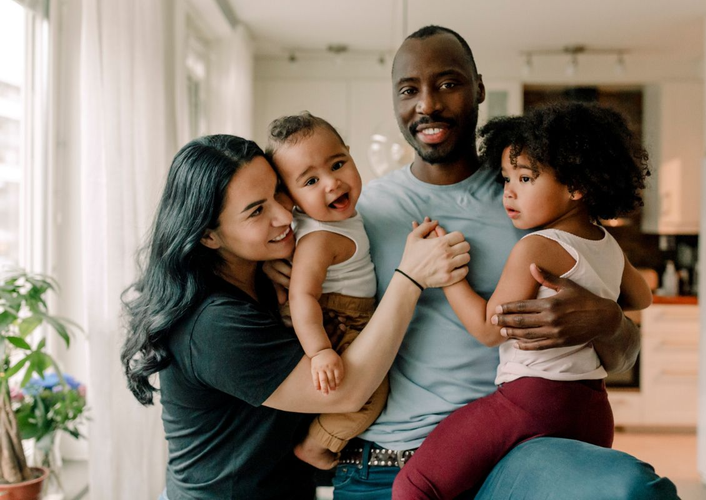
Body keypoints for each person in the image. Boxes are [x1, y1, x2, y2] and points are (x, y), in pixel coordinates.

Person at [326, 25, 678, 499]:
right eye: (409, 90)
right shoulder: (364, 213)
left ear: (480, 90)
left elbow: (624, 344)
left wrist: (607, 321)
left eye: (449, 84)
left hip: (508, 464)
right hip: (375, 467)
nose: (427, 105)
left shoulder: (533, 204)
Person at [119, 134, 470, 499]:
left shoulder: (265, 275)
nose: (285, 215)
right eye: (257, 211)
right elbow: (346, 394)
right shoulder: (213, 323)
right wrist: (410, 278)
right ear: (209, 236)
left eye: (278, 192)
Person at [392, 104, 654, 499]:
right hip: (594, 412)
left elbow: (487, 329)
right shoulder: (607, 245)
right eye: (506, 178)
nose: (509, 191)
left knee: (415, 485)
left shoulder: (537, 247)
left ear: (576, 185)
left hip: (530, 404)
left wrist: (446, 273)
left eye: (526, 177)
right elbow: (642, 296)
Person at [265, 112, 388, 470]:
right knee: (368, 394)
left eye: (338, 164)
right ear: (289, 196)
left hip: (349, 312)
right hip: (337, 317)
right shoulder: (320, 238)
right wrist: (319, 351)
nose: (332, 183)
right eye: (311, 180)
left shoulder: (337, 218)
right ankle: (316, 444)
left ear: (350, 154)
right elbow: (302, 295)